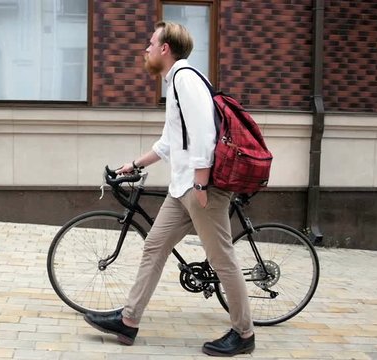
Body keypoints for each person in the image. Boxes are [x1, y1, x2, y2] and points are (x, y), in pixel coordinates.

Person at [83, 21, 255, 356]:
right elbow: (168, 142)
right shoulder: (174, 81)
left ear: (165, 48)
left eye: (151, 43)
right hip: (182, 190)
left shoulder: (184, 77)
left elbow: (204, 131)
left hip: (200, 187)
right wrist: (135, 164)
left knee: (223, 260)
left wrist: (202, 180)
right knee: (154, 247)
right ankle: (128, 321)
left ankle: (244, 334)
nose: (146, 49)